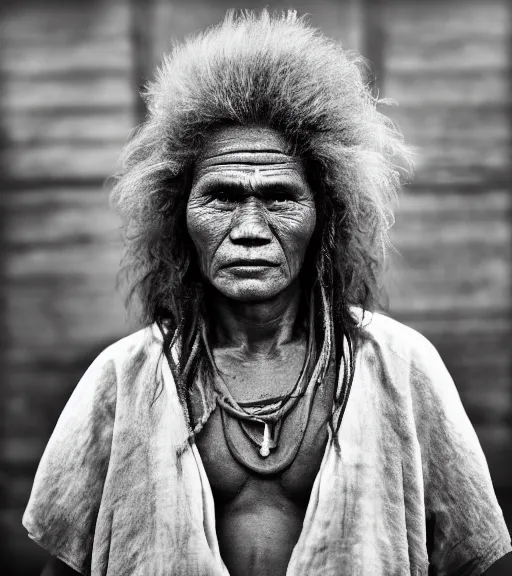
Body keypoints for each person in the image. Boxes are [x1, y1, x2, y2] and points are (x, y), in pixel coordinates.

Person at [24, 10, 511, 576]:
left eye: (279, 197)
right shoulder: (125, 376)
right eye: (223, 197)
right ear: (177, 214)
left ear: (326, 216)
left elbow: (479, 560)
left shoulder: (401, 366)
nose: (250, 229)